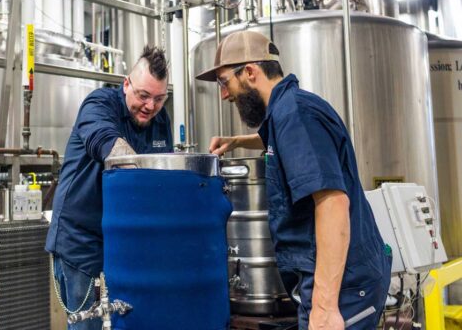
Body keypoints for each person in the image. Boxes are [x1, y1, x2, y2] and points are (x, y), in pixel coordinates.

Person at [196, 30, 391, 330]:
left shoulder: (295, 115)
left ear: (250, 71)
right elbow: (278, 142)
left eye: (225, 82)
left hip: (342, 288)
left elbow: (333, 203)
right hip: (332, 282)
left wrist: (325, 308)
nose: (224, 94)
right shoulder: (286, 113)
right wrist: (236, 142)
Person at [46, 46, 173, 329]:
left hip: (126, 242)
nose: (150, 106)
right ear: (126, 84)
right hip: (82, 242)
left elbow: (167, 170)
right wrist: (142, 176)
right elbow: (108, 145)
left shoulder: (159, 119)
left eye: (159, 98)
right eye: (143, 95)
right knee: (88, 325)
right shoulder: (99, 104)